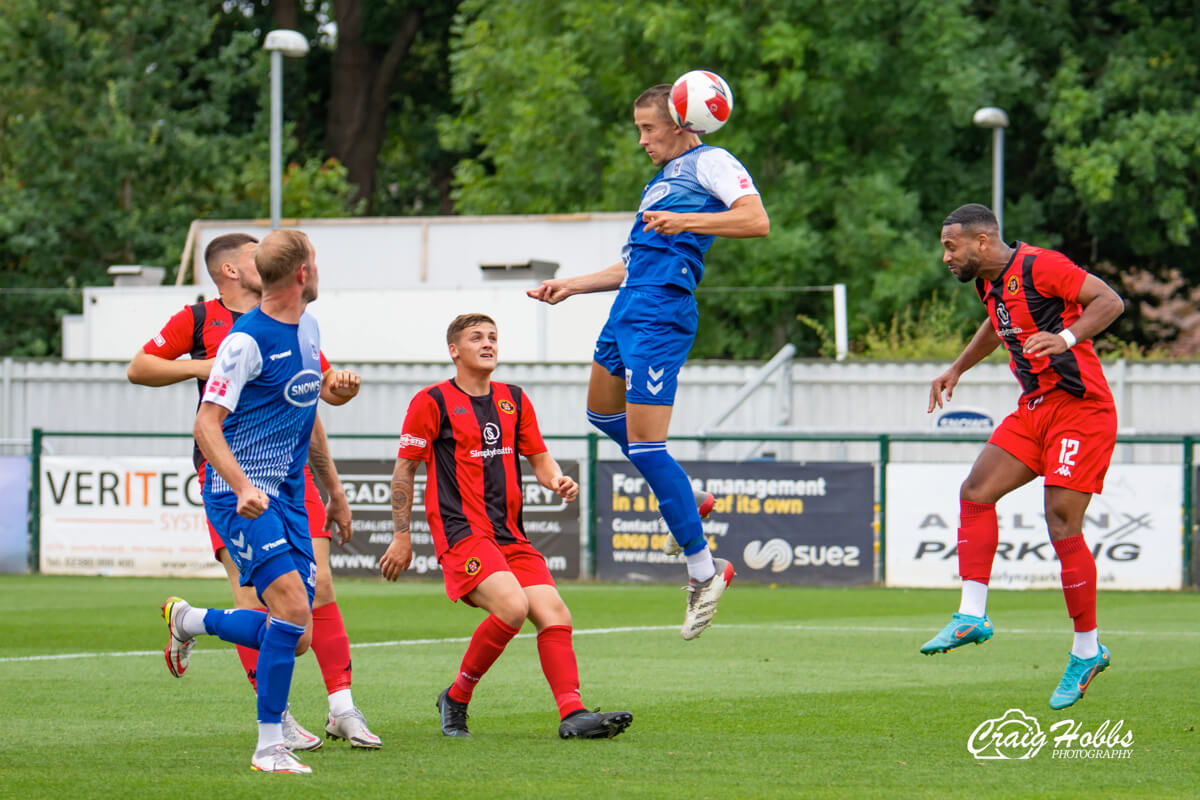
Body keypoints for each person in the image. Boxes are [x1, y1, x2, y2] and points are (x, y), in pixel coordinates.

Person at [527, 82, 769, 640]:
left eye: (649, 128)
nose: (642, 140)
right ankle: (691, 495)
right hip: (629, 305)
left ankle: (706, 571)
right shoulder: (658, 183)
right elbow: (630, 265)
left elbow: (756, 221)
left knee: (647, 446)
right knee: (600, 416)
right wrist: (571, 285)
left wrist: (689, 222)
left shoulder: (713, 162)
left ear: (682, 123)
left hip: (663, 311)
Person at [130, 233, 380, 752]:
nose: (261, 260)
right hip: (233, 477)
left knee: (310, 607)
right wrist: (213, 367)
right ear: (231, 270)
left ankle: (341, 709)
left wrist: (333, 480)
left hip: (292, 476)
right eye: (251, 254)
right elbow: (144, 371)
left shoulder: (302, 326)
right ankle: (277, 722)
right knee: (264, 600)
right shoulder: (209, 324)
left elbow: (311, 398)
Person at [379, 313, 633, 740]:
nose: (488, 343)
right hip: (462, 533)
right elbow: (404, 470)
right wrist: (402, 536)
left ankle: (573, 713)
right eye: (476, 337)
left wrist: (556, 479)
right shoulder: (432, 401)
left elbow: (538, 457)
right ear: (453, 351)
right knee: (513, 608)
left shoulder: (514, 398)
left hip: (510, 534)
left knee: (555, 614)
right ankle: (457, 698)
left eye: (493, 337)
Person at [922, 203, 1125, 710]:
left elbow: (1110, 301)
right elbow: (998, 323)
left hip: (1082, 409)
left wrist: (1066, 337)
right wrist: (958, 368)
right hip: (1035, 408)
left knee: (1059, 518)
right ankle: (972, 614)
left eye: (952, 246)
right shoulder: (988, 284)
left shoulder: (1042, 265)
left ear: (983, 243)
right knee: (975, 490)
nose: (945, 255)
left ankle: (1086, 650)